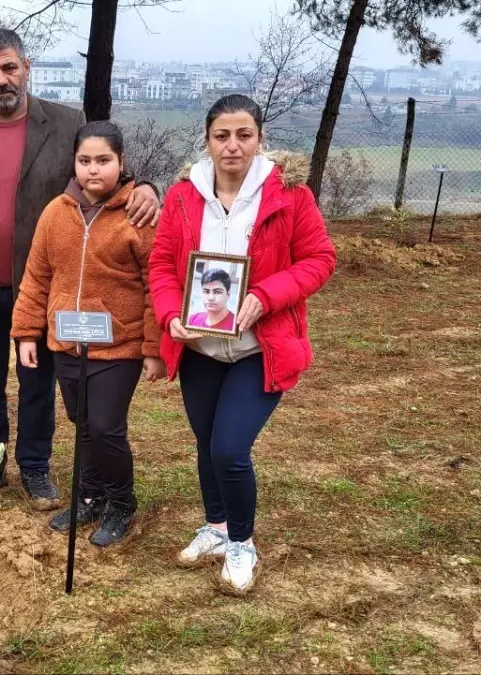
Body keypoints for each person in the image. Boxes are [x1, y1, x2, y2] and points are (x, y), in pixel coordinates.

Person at [0, 28, 161, 508]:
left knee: (38, 384)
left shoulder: (67, 121)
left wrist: (147, 186)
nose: (1, 79)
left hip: (47, 286)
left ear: (26, 68)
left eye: (9, 67)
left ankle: (35, 468)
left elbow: (100, 171)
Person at [148, 95, 336, 592]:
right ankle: (216, 527)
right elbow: (163, 265)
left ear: (259, 139)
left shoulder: (290, 196)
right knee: (207, 443)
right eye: (222, 136)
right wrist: (170, 314)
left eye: (244, 135)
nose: (233, 146)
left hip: (260, 349)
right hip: (201, 349)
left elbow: (319, 260)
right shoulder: (183, 197)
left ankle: (242, 543)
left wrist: (265, 295)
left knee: (230, 449)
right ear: (207, 141)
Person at [11, 121, 165, 546]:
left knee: (106, 427)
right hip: (67, 342)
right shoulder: (55, 213)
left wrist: (154, 348)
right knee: (82, 425)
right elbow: (37, 277)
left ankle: (121, 502)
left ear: (122, 162)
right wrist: (27, 333)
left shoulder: (139, 215)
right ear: (74, 164)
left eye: (103, 161)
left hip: (120, 345)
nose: (93, 170)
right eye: (85, 161)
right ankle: (90, 495)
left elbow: (158, 284)